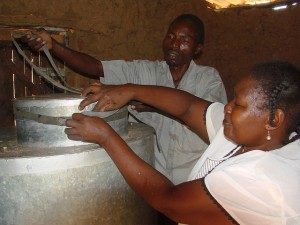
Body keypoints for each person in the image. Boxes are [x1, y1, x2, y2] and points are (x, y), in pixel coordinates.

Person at [65, 61, 300, 225]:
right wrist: (130, 90)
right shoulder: (257, 137)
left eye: (238, 105)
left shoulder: (261, 180)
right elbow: (188, 107)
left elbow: (168, 200)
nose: (226, 107)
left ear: (273, 119)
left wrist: (106, 137)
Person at [21, 14, 227, 186]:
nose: (174, 44)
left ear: (198, 48)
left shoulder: (208, 79)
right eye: (171, 36)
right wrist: (54, 46)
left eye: (184, 40)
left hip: (197, 182)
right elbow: (95, 67)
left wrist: (139, 96)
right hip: (157, 184)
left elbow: (201, 118)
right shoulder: (144, 71)